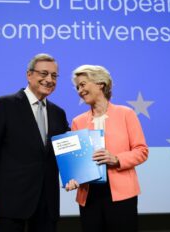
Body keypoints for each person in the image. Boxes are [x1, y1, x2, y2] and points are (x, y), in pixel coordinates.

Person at [0, 53, 69, 232]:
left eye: (54, 76)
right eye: (44, 74)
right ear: (29, 74)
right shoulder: (4, 105)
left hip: (47, 205)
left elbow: (67, 154)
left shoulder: (58, 113)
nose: (49, 79)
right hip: (10, 202)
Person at [65, 65, 149, 232]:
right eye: (77, 87)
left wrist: (117, 159)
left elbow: (141, 151)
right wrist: (72, 177)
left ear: (100, 83)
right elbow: (75, 161)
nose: (79, 90)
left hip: (122, 195)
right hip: (89, 197)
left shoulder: (126, 114)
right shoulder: (77, 121)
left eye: (83, 84)